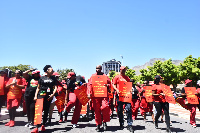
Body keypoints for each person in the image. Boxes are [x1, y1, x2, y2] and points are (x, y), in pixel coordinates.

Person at [31, 65, 57, 133]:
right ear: (47, 70)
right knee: (39, 111)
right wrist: (35, 96)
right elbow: (38, 87)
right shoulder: (42, 78)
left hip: (48, 96)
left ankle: (43, 125)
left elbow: (55, 87)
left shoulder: (53, 78)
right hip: (41, 95)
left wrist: (53, 95)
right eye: (51, 70)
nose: (52, 71)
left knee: (46, 111)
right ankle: (36, 127)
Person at [87, 65, 111, 132]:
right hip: (95, 96)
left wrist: (107, 85)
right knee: (97, 110)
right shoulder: (93, 76)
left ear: (101, 69)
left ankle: (104, 121)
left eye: (99, 68)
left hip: (104, 95)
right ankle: (98, 124)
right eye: (96, 68)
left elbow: (110, 84)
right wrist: (89, 93)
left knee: (105, 107)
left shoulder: (105, 76)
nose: (97, 69)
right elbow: (89, 85)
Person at [112, 66, 134, 132]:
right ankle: (121, 123)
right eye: (122, 70)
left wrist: (130, 91)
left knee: (129, 109)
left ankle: (129, 125)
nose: (123, 71)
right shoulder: (117, 77)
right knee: (120, 110)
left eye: (124, 70)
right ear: (120, 70)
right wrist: (116, 90)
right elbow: (113, 84)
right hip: (119, 96)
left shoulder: (127, 78)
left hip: (126, 96)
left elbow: (129, 86)